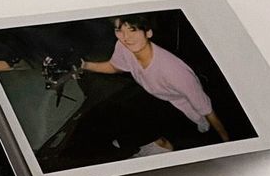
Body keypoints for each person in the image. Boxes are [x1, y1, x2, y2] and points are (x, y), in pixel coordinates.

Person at [80, 14, 230, 150]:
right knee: (119, 105)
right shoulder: (123, 46)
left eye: (133, 30)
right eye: (119, 30)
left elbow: (207, 110)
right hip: (154, 92)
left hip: (181, 108)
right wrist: (85, 66)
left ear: (148, 32)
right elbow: (114, 66)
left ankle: (163, 145)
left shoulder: (175, 72)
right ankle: (147, 139)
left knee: (146, 122)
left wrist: (226, 142)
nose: (126, 37)